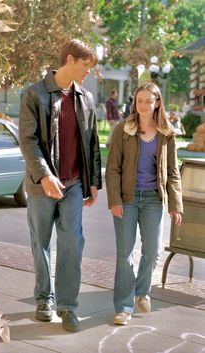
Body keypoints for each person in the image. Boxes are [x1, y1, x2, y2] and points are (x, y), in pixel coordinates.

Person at [19, 39, 102, 332]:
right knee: (40, 243)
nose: (88, 73)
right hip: (42, 185)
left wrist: (93, 182)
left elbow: (91, 143)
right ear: (69, 59)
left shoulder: (86, 98)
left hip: (74, 184)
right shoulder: (34, 94)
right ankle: (44, 299)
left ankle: (67, 306)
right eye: (85, 66)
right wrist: (44, 175)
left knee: (72, 245)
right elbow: (27, 141)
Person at [105, 82, 183, 325]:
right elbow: (112, 169)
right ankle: (123, 307)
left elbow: (172, 171)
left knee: (153, 251)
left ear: (157, 102)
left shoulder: (166, 134)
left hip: (153, 199)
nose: (143, 105)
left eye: (148, 101)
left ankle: (141, 291)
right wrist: (114, 200)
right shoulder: (123, 129)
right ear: (135, 103)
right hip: (127, 200)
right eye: (139, 101)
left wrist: (175, 204)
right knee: (124, 255)